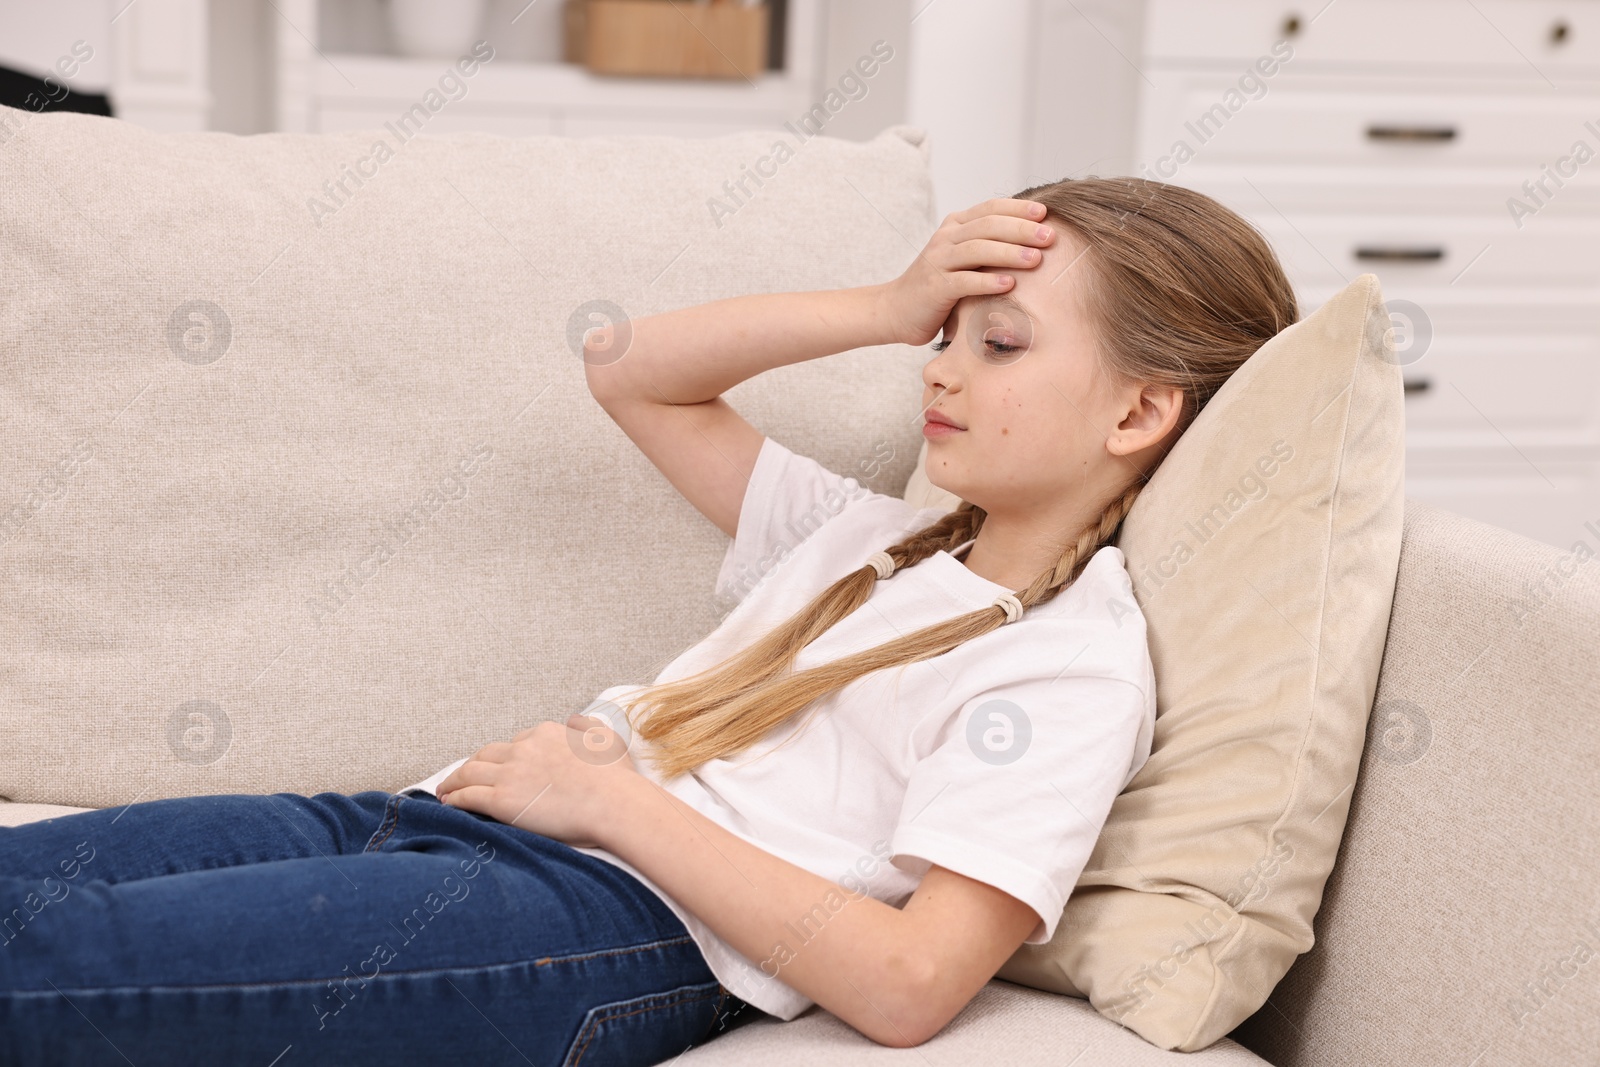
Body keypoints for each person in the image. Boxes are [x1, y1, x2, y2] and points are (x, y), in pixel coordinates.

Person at [0, 177, 1298, 1065]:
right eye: (944, 334)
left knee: (57, 966)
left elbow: (912, 984)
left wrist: (616, 802)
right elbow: (632, 370)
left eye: (1000, 345)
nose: (940, 367)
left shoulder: (1066, 662)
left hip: (598, 927)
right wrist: (885, 303)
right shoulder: (875, 539)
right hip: (434, 820)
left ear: (1138, 414)